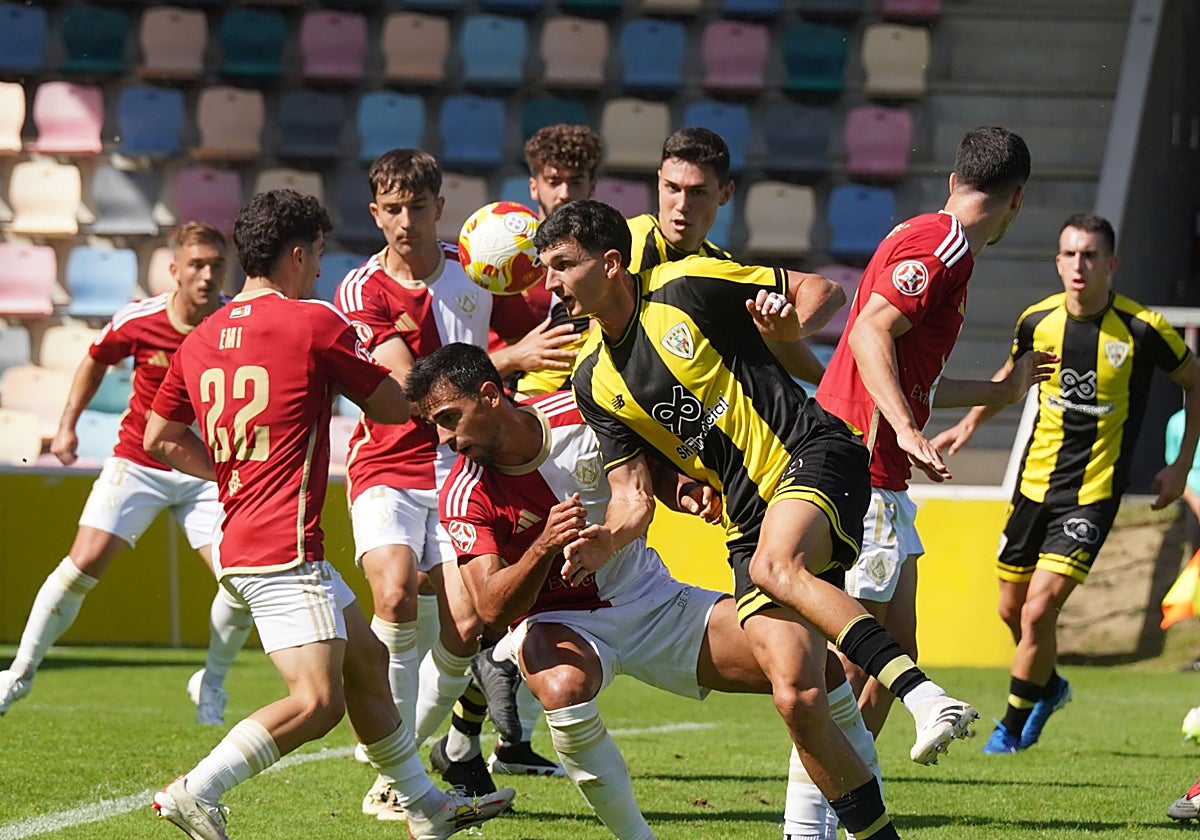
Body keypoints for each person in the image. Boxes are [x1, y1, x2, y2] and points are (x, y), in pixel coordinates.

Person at [537, 199, 980, 840]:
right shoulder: (593, 379)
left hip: (812, 453)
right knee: (797, 693)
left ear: (610, 264)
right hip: (748, 520)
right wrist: (610, 537)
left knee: (778, 567)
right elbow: (633, 496)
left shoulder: (684, 284)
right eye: (545, 267)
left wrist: (787, 325)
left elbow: (823, 290)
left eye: (562, 264)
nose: (549, 281)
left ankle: (922, 695)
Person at [144, 189, 514, 840]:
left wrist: (229, 474)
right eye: (316, 255)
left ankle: (425, 807)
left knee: (368, 666)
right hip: (282, 546)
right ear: (295, 255)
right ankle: (195, 790)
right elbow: (393, 407)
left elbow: (160, 438)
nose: (319, 270)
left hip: (245, 535)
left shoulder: (199, 338)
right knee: (318, 702)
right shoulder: (312, 322)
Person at [406, 342, 879, 840]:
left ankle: (840, 823)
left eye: (449, 418)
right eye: (435, 425)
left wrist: (684, 490)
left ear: (489, 395)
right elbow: (490, 608)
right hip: (561, 624)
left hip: (650, 598)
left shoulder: (582, 411)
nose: (444, 439)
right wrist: (543, 545)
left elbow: (648, 471)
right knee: (560, 683)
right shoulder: (464, 491)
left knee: (812, 670)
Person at [333, 148, 572, 813]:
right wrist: (511, 358)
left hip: (460, 467)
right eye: (392, 209)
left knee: (468, 625)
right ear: (375, 214)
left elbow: (545, 331)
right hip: (386, 464)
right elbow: (410, 388)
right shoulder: (361, 290)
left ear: (440, 208)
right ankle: (391, 751)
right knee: (394, 592)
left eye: (418, 207)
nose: (405, 221)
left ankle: (400, 760)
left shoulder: (479, 268)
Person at [932, 212, 1200, 753]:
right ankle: (1049, 686)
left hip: (1092, 496)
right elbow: (1012, 378)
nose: (1080, 265)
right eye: (1070, 255)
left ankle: (1010, 728)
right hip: (1032, 487)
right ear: (1057, 262)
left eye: (1091, 255)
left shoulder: (1142, 328)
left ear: (1111, 263)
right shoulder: (1037, 321)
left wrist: (1181, 464)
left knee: (1038, 610)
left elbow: (1195, 383)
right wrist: (969, 423)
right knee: (1011, 611)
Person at [815, 126, 1049, 737]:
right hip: (866, 465)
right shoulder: (945, 248)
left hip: (877, 465)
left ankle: (854, 779)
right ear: (1017, 199)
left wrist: (1001, 391)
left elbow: (907, 376)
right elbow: (868, 332)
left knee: (898, 649)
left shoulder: (923, 234)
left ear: (954, 180)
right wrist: (905, 429)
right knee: (855, 655)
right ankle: (813, 789)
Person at [0, 222, 253, 726]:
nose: (207, 276)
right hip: (139, 463)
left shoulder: (237, 322)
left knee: (241, 583)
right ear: (174, 270)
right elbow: (95, 361)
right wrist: (66, 427)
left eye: (216, 265)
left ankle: (212, 681)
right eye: (197, 265)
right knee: (81, 564)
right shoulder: (139, 318)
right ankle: (19, 674)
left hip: (208, 471)